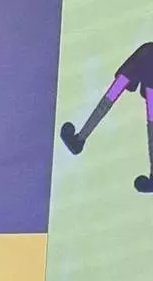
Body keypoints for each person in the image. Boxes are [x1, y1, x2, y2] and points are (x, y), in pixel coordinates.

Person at [60, 42, 153, 194]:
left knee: (115, 95)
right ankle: (79, 139)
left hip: (145, 60)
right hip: (145, 61)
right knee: (149, 115)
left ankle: (79, 139)